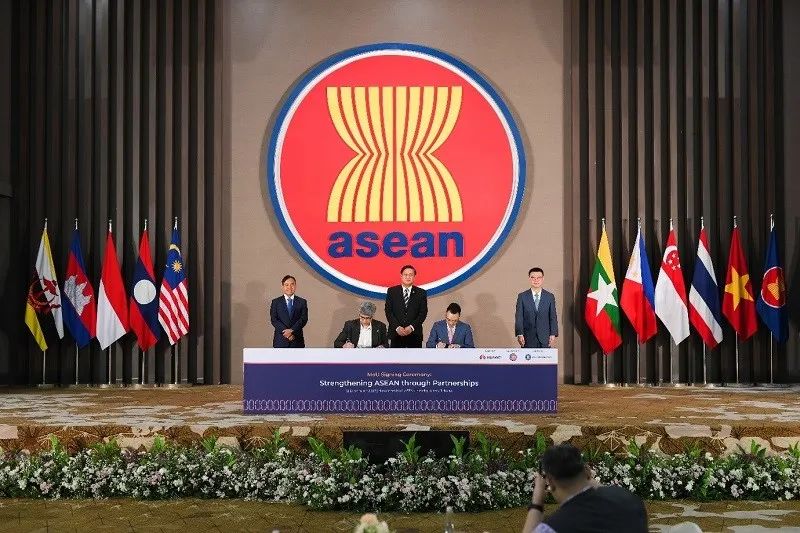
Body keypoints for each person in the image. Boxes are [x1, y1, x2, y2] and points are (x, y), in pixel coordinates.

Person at [522, 443, 647, 533]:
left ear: (550, 482)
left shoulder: (553, 527)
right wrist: (588, 478)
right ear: (586, 471)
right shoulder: (630, 500)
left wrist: (536, 503)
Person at [385, 265, 428, 348]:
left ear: (414, 277)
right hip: (396, 334)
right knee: (395, 356)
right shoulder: (392, 291)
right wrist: (397, 327)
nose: (408, 277)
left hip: (414, 335)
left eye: (411, 275)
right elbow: (388, 311)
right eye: (405, 275)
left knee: (414, 357)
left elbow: (423, 313)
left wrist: (411, 327)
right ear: (401, 276)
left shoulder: (421, 293)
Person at [515, 267, 558, 348]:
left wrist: (553, 334)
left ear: (543, 279)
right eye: (533, 278)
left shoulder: (549, 296)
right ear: (529, 279)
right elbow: (519, 317)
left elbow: (553, 316)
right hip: (527, 338)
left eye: (539, 278)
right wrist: (520, 334)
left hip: (545, 337)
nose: (536, 280)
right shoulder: (522, 296)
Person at [269, 275, 308, 348]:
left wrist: (292, 330)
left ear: (295, 286)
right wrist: (287, 333)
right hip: (280, 341)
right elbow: (274, 319)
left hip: (297, 340)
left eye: (292, 284)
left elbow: (303, 319)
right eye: (286, 285)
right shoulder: (276, 302)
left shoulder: (302, 302)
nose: (289, 287)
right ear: (282, 286)